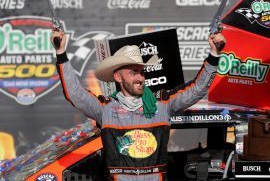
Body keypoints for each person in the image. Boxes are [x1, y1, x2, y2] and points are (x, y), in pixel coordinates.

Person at [51, 29, 225, 181]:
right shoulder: (105, 109)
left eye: (142, 72)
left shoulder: (162, 104)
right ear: (118, 77)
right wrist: (61, 52)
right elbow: (74, 93)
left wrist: (214, 54)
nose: (141, 78)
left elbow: (197, 89)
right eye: (134, 73)